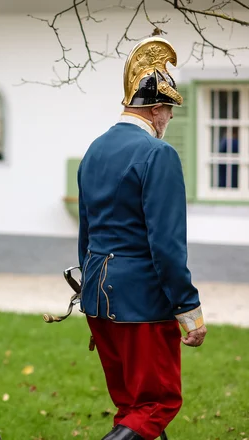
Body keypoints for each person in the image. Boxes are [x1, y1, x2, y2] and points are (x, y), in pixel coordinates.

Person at [77, 36, 207, 440]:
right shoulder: (158, 154)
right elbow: (167, 245)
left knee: (132, 407)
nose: (168, 120)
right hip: (143, 303)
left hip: (99, 299)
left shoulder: (94, 150)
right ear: (155, 110)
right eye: (168, 111)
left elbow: (86, 234)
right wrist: (189, 309)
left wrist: (89, 292)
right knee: (156, 404)